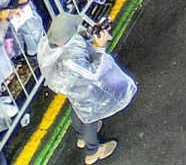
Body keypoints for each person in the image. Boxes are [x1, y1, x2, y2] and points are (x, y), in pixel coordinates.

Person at [37, 12, 134, 163]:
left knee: (77, 109)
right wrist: (101, 47)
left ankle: (81, 136)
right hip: (81, 87)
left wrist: (88, 34)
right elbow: (93, 73)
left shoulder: (48, 42)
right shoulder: (70, 58)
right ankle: (93, 151)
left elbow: (76, 40)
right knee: (90, 116)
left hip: (71, 86)